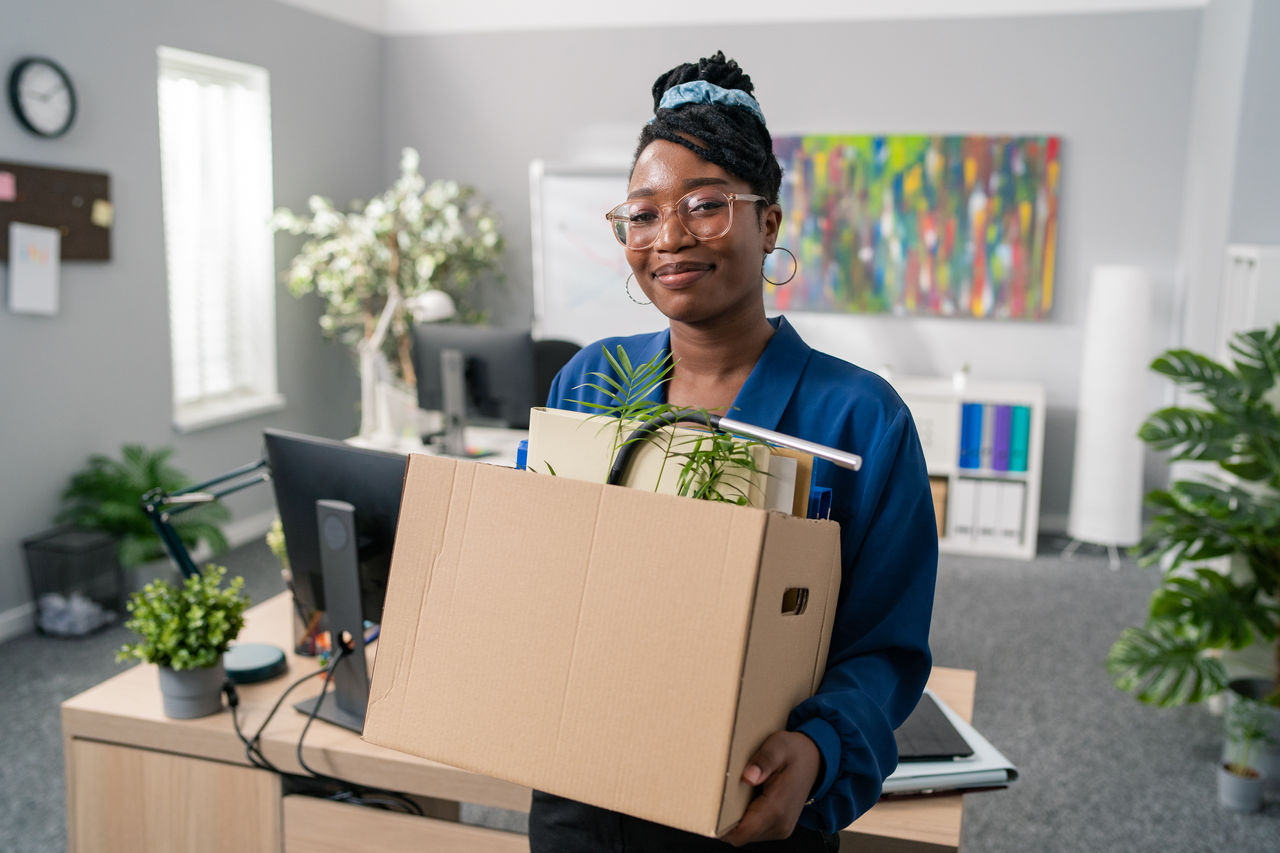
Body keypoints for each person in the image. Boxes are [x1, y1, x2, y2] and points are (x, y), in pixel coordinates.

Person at [533, 51, 938, 852]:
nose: (669, 238)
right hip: (582, 792)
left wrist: (819, 749)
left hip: (749, 800)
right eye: (642, 214)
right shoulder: (588, 382)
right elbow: (548, 579)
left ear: (770, 222)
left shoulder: (861, 418)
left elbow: (884, 650)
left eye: (705, 205)